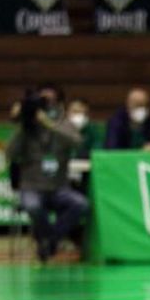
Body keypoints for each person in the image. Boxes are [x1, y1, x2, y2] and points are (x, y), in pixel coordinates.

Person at [6, 85, 88, 263]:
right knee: (33, 206)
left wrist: (50, 126)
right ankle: (51, 240)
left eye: (50, 101)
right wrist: (23, 125)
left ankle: (49, 241)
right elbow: (10, 154)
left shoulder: (64, 124)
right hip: (32, 187)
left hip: (59, 188)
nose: (46, 105)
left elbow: (77, 143)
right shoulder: (26, 129)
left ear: (58, 104)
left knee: (80, 204)